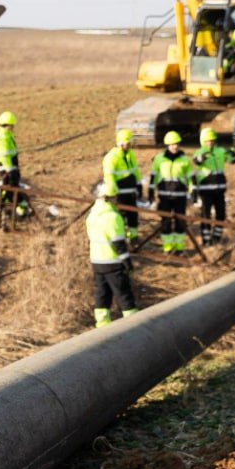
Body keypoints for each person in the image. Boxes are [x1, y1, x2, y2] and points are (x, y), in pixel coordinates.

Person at [86, 182, 140, 327]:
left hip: (97, 262)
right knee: (123, 293)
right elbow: (118, 244)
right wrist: (127, 262)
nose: (117, 200)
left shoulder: (92, 214)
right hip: (112, 262)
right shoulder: (112, 216)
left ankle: (102, 324)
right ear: (107, 198)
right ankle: (133, 325)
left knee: (102, 294)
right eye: (115, 197)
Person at [145, 131, 195, 255]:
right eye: (172, 144)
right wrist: (151, 192)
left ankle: (179, 248)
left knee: (180, 223)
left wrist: (193, 192)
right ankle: (167, 248)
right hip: (164, 196)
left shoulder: (185, 159)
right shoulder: (159, 159)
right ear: (167, 145)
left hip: (180, 197)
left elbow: (191, 177)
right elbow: (154, 176)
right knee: (165, 222)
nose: (175, 146)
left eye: (177, 144)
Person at [191, 127, 235, 245]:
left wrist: (233, 154)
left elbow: (232, 161)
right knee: (206, 215)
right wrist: (202, 157)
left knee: (221, 214)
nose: (210, 143)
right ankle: (206, 240)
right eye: (207, 141)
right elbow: (196, 160)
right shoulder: (200, 152)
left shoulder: (220, 151)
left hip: (219, 189)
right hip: (206, 189)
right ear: (203, 141)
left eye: (212, 140)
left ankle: (217, 238)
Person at [102, 128, 142, 242]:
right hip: (119, 193)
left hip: (131, 192)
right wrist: (113, 194)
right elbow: (109, 177)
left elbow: (135, 170)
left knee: (133, 216)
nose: (130, 145)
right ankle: (121, 239)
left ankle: (133, 237)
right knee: (121, 217)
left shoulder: (130, 154)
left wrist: (138, 184)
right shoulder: (111, 157)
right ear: (121, 143)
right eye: (128, 143)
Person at [0, 111, 31, 220]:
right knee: (11, 188)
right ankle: (8, 208)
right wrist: (10, 171)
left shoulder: (7, 136)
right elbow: (4, 157)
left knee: (12, 188)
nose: (13, 128)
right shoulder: (3, 138)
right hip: (7, 168)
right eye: (12, 126)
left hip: (11, 167)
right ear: (7, 125)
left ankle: (11, 208)